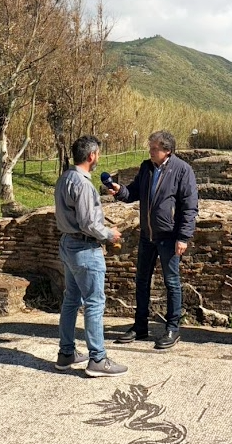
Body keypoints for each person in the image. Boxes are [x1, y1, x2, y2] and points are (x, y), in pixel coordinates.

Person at [109, 130, 198, 349]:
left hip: (169, 237)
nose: (150, 151)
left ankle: (173, 328)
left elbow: (189, 207)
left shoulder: (182, 170)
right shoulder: (146, 167)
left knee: (171, 282)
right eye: (150, 147)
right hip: (147, 236)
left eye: (154, 148)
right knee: (141, 280)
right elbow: (133, 193)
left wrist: (183, 237)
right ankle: (140, 326)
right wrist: (120, 191)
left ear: (167, 150)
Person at [54, 135, 127, 377]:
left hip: (68, 244)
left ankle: (66, 353)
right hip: (85, 249)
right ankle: (97, 359)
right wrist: (109, 234)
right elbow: (88, 224)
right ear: (92, 155)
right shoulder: (84, 185)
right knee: (94, 303)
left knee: (71, 300)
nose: (99, 158)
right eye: (98, 154)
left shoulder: (65, 178)